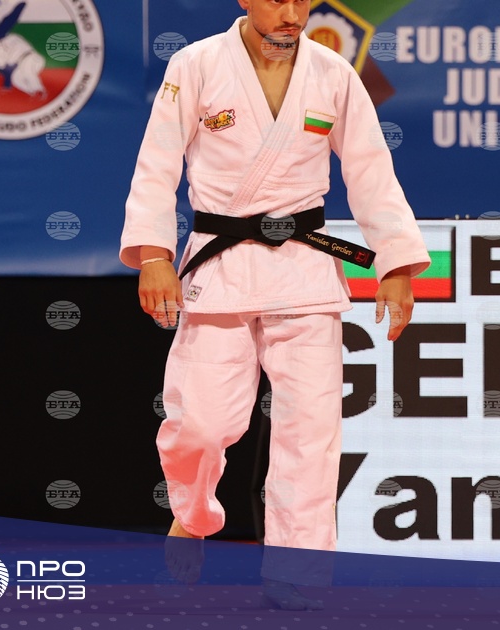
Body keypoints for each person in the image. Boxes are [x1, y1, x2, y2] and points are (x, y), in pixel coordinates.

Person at [119, 0, 430, 609]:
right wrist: (154, 254)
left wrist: (395, 264)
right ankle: (193, 512)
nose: (292, 13)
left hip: (304, 269)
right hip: (222, 262)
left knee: (311, 432)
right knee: (202, 425)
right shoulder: (196, 64)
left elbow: (371, 171)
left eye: (301, 0)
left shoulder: (333, 72)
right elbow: (157, 164)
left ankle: (298, 570)